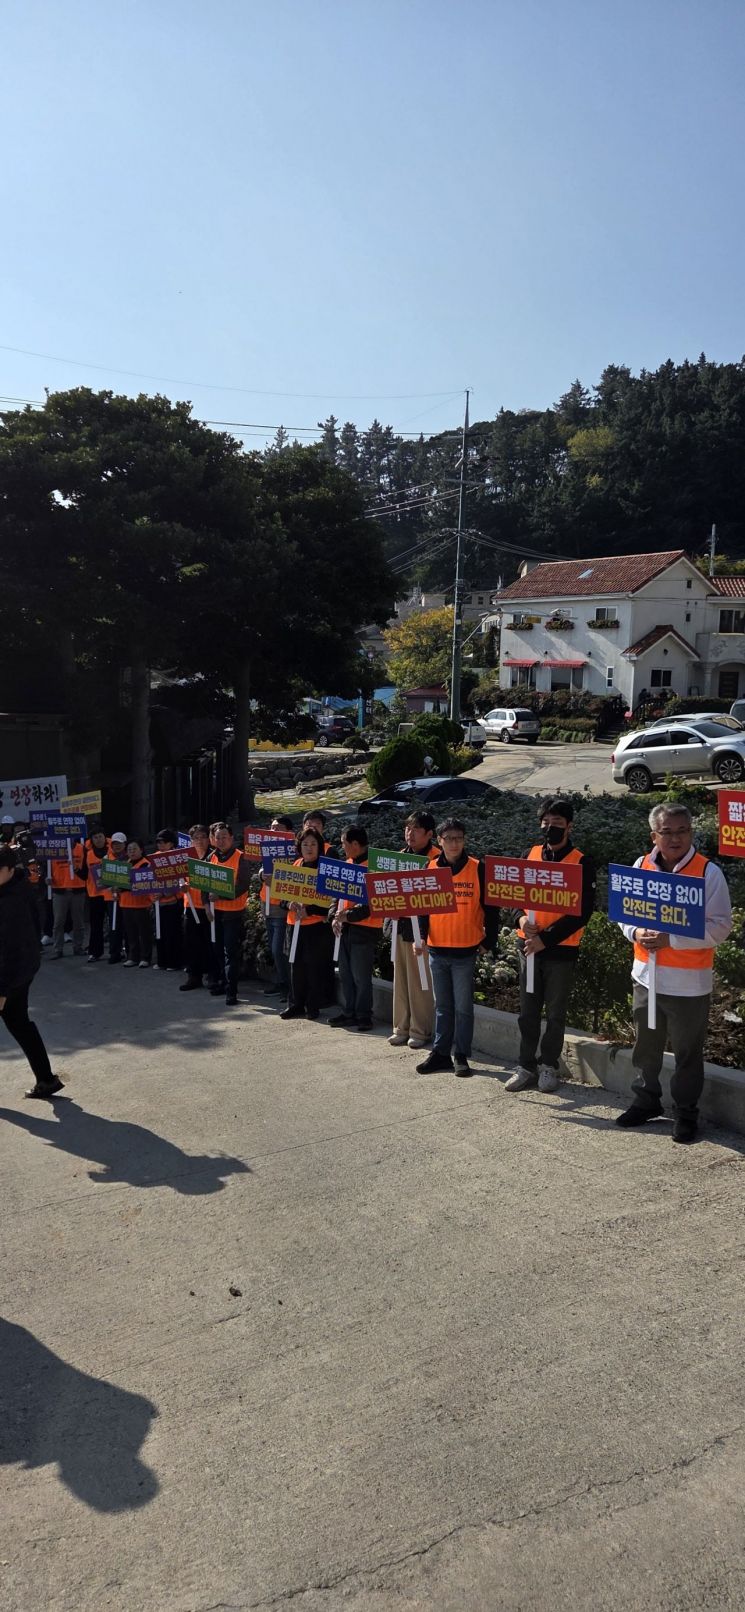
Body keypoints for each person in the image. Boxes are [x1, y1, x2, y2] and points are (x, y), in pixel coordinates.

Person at [614, 802, 732, 1144]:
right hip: (646, 978)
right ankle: (646, 1101)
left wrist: (672, 939)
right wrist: (636, 933)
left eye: (682, 831)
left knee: (687, 1056)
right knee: (645, 1048)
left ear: (691, 833)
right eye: (667, 832)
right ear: (654, 835)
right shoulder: (640, 866)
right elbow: (625, 913)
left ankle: (685, 1113)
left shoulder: (708, 873)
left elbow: (720, 927)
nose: (675, 838)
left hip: (688, 985)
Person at [505, 798, 597, 1094]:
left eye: (556, 824)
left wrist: (545, 939)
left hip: (560, 952)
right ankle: (525, 1065)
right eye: (545, 823)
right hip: (527, 949)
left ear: (569, 826)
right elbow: (512, 898)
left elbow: (582, 913)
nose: (550, 829)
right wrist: (521, 923)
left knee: (555, 1014)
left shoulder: (581, 862)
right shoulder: (528, 855)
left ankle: (549, 1066)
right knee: (527, 1012)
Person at [415, 817, 498, 1078]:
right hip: (437, 949)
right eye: (448, 838)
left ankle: (461, 1054)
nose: (454, 843)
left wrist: (489, 941)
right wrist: (421, 938)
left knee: (463, 1007)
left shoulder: (478, 868)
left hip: (465, 950)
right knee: (442, 1006)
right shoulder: (429, 868)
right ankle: (440, 1053)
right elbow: (421, 908)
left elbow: (491, 907)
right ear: (439, 841)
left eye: (458, 838)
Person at [0, 844, 63, 1100]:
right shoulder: (16, 887)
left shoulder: (10, 901)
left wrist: (2, 989)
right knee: (20, 1024)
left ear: (7, 869)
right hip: (22, 971)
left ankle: (47, 1079)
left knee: (19, 1023)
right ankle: (46, 1079)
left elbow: (8, 949)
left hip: (10, 975)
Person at [389, 811, 438, 1050]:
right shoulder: (398, 858)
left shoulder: (437, 859)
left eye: (416, 829)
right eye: (408, 828)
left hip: (425, 930)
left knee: (421, 982)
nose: (410, 833)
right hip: (400, 925)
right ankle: (401, 1026)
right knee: (401, 978)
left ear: (430, 834)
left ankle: (421, 1030)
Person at [328, 822, 383, 1033]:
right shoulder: (347, 863)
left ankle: (363, 1015)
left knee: (361, 976)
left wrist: (348, 916)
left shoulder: (373, 867)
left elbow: (373, 904)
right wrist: (334, 915)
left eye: (344, 843)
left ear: (355, 844)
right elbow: (336, 894)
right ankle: (349, 1012)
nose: (342, 847)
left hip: (364, 929)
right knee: (346, 974)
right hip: (344, 929)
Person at [281, 826, 333, 1021]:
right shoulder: (294, 866)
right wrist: (290, 904)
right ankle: (295, 1004)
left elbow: (330, 901)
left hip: (316, 926)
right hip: (294, 925)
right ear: (299, 847)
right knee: (296, 966)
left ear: (319, 846)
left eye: (313, 844)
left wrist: (310, 910)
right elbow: (282, 896)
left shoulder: (325, 868)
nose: (309, 848)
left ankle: (313, 1006)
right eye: (305, 844)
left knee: (314, 968)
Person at [208, 822, 251, 1007]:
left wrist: (222, 895)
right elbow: (204, 882)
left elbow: (242, 886)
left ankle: (232, 991)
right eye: (218, 837)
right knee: (217, 949)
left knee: (230, 953)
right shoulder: (211, 857)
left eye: (224, 836)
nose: (221, 840)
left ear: (232, 838)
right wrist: (206, 904)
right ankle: (224, 984)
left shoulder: (241, 857)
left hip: (233, 913)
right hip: (216, 912)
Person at [260, 815, 294, 999]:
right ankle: (280, 982)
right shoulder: (267, 849)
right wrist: (260, 875)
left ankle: (286, 985)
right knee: (273, 948)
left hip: (282, 908)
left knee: (279, 949)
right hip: (267, 906)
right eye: (271, 827)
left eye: (277, 828)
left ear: (288, 832)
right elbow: (263, 871)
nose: (273, 831)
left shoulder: (293, 851)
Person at [180, 824, 215, 992]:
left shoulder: (214, 857)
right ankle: (194, 976)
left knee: (210, 942)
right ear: (191, 841)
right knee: (191, 943)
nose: (199, 841)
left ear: (209, 839)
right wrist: (183, 886)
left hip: (209, 907)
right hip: (190, 905)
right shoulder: (186, 858)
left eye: (203, 837)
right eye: (196, 838)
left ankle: (212, 975)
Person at [49, 833, 87, 958]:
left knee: (79, 922)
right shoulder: (53, 849)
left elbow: (87, 868)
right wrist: (46, 877)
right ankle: (58, 949)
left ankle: (78, 947)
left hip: (78, 890)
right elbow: (46, 867)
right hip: (59, 890)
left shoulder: (82, 848)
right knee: (58, 922)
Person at [152, 826, 183, 973]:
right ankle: (162, 960)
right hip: (158, 902)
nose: (160, 845)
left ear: (171, 843)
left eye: (164, 842)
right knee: (160, 932)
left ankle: (174, 961)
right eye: (158, 842)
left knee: (173, 933)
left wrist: (164, 893)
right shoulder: (155, 857)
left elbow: (180, 881)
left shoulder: (177, 858)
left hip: (173, 901)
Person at [119, 838, 153, 969]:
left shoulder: (145, 864)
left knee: (144, 933)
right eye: (129, 850)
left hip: (141, 904)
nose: (131, 852)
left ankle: (146, 957)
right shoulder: (123, 865)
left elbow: (138, 884)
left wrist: (123, 885)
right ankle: (133, 957)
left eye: (134, 849)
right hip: (126, 904)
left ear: (141, 850)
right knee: (131, 933)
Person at [84, 825, 109, 962]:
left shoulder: (113, 849)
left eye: (100, 836)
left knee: (115, 923)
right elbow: (82, 872)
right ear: (91, 840)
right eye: (95, 837)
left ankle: (117, 950)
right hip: (95, 893)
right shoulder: (87, 853)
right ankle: (95, 952)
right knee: (96, 924)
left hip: (112, 893)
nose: (98, 839)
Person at [106, 832, 128, 964]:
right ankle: (114, 952)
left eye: (119, 843)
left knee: (128, 926)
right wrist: (111, 888)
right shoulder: (106, 858)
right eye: (114, 844)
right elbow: (101, 880)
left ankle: (129, 952)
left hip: (127, 898)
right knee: (114, 925)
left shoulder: (129, 859)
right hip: (112, 898)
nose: (117, 846)